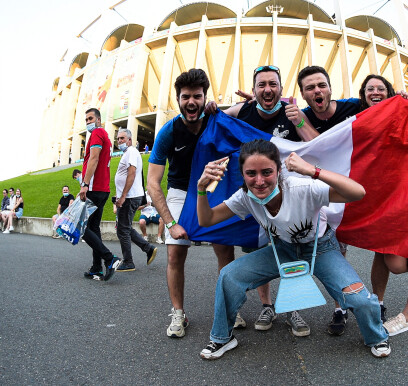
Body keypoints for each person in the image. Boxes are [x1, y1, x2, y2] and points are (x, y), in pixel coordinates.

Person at [196, 139, 391, 359]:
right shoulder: (245, 197)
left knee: (360, 300)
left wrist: (313, 171)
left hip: (320, 249)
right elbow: (207, 219)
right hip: (283, 250)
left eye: (267, 172)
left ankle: (376, 336)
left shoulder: (302, 188)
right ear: (242, 174)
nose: (259, 181)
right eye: (251, 173)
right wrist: (201, 188)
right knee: (228, 276)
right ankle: (222, 338)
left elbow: (358, 193)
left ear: (279, 171)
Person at [205, 64, 317, 335]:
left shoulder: (292, 113)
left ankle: (293, 308)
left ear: (281, 88)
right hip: (254, 193)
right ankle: (267, 305)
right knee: (258, 250)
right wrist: (212, 107)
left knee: (290, 248)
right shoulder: (242, 111)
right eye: (262, 84)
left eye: (273, 84)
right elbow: (217, 119)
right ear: (253, 90)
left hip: (285, 195)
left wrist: (300, 121)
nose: (268, 89)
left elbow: (316, 145)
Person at [352, 74, 408, 337]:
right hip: (387, 203)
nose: (375, 92)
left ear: (389, 93)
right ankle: (377, 302)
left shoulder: (404, 116)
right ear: (363, 95)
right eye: (370, 89)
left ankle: (405, 317)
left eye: (381, 88)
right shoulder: (360, 122)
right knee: (391, 262)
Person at [147, 68, 210, 338]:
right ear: (178, 99)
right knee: (175, 255)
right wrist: (170, 223)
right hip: (180, 192)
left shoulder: (214, 119)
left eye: (197, 96)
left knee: (224, 251)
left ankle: (232, 309)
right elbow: (152, 182)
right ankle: (178, 313)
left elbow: (244, 113)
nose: (191, 102)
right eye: (186, 97)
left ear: (206, 97)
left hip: (211, 191)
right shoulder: (167, 132)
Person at [80, 108, 120, 281]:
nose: (88, 122)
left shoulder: (96, 133)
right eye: (86, 119)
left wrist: (85, 184)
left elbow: (94, 159)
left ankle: (110, 258)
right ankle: (97, 267)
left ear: (98, 119)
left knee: (81, 228)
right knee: (94, 229)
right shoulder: (104, 135)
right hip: (102, 189)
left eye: (90, 118)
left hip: (94, 188)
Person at [114, 128, 158, 272]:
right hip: (129, 196)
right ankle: (148, 248)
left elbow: (131, 174)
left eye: (122, 138)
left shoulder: (132, 152)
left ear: (130, 140)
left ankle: (129, 262)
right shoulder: (127, 153)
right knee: (125, 227)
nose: (119, 141)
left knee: (122, 230)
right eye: (118, 139)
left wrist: (123, 196)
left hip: (129, 197)